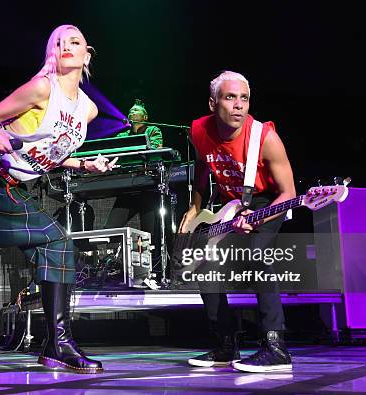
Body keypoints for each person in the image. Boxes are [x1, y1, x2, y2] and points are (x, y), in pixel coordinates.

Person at [0, 24, 117, 380]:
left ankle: (58, 346)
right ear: (51, 52)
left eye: (74, 41)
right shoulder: (41, 87)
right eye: (58, 42)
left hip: (9, 181)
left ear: (87, 54)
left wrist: (83, 162)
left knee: (56, 241)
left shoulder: (88, 110)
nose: (66, 46)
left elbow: (47, 151)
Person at [178, 71, 296, 373]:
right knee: (205, 265)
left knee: (257, 255)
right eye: (230, 97)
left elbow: (289, 193)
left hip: (268, 203)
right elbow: (203, 165)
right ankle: (225, 346)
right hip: (234, 207)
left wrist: (257, 218)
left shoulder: (265, 138)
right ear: (212, 103)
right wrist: (195, 205)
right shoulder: (199, 131)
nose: (238, 105)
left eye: (244, 98)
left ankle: (275, 346)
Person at [103, 100, 163, 260]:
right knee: (110, 228)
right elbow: (112, 153)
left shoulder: (153, 130)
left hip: (147, 187)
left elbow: (155, 152)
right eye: (130, 111)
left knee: (149, 234)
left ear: (145, 116)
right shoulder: (122, 135)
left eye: (135, 110)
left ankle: (153, 272)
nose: (131, 113)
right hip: (128, 188)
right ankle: (117, 260)